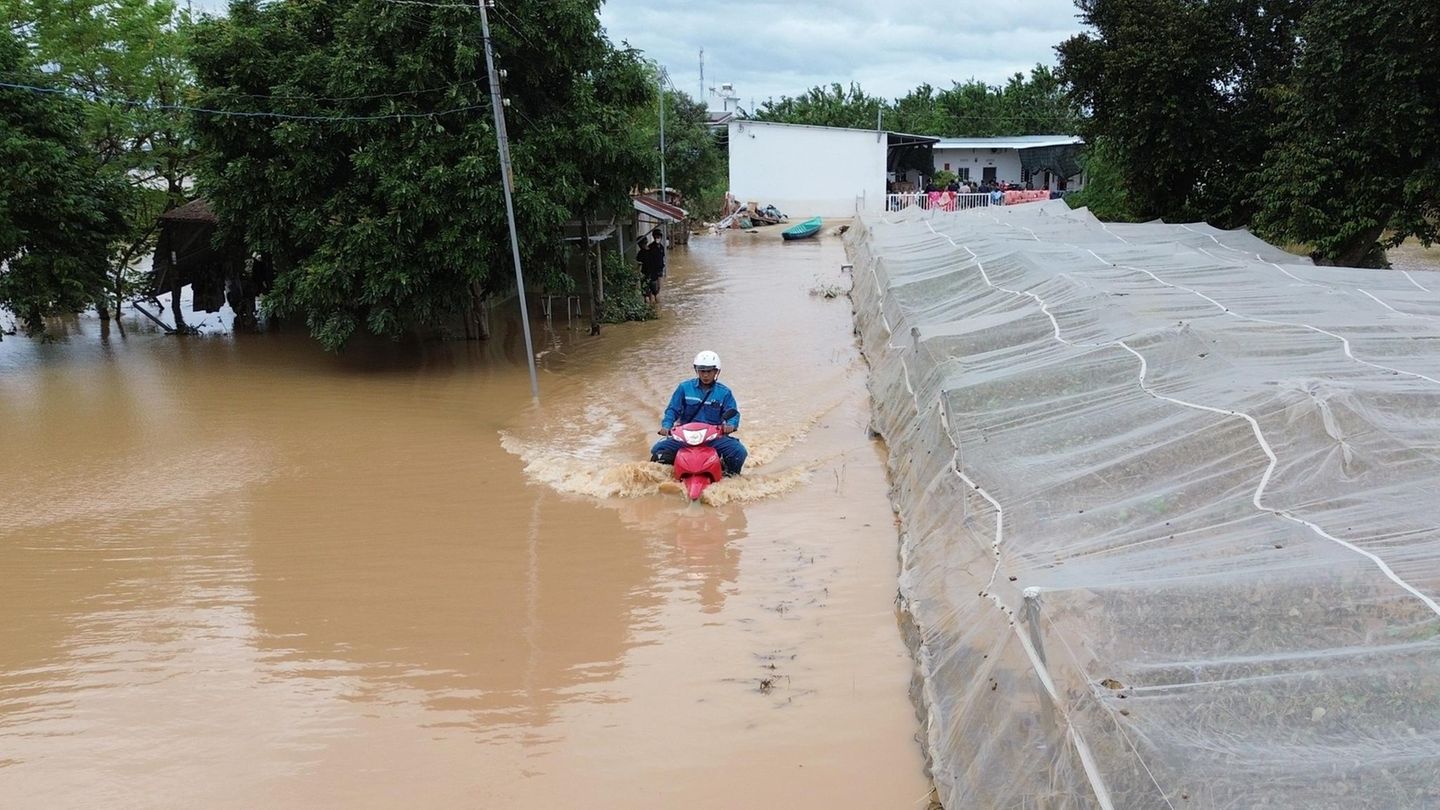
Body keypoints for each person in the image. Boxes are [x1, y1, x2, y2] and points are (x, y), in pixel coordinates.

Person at [650, 350, 748, 476]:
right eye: (702, 371)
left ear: (716, 371)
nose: (705, 375)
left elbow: (733, 414)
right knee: (657, 450)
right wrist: (666, 426)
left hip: (713, 437)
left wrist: (731, 425)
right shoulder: (684, 388)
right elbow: (672, 410)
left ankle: (731, 477)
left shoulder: (724, 392)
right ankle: (672, 474)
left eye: (709, 371)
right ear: (697, 370)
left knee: (739, 451)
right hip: (685, 436)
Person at [637, 236, 664, 305]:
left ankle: (648, 311)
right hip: (654, 276)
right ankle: (659, 309)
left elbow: (638, 266)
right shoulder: (653, 251)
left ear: (640, 244)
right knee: (656, 293)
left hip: (645, 276)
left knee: (646, 296)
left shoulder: (640, 253)